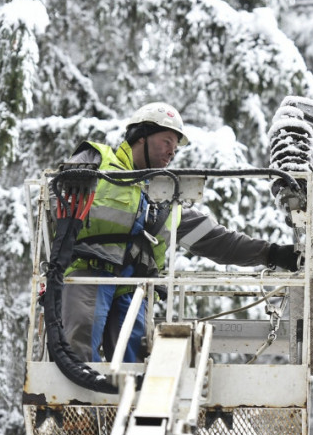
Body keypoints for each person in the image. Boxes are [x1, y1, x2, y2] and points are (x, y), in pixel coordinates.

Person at [58, 102, 300, 363]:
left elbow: (217, 241)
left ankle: (120, 401)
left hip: (134, 287)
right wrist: (75, 170)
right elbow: (60, 190)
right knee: (79, 341)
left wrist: (273, 254)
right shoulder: (99, 161)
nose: (172, 152)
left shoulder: (165, 202)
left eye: (175, 147)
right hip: (89, 272)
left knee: (133, 358)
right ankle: (76, 398)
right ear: (141, 137)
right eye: (167, 142)